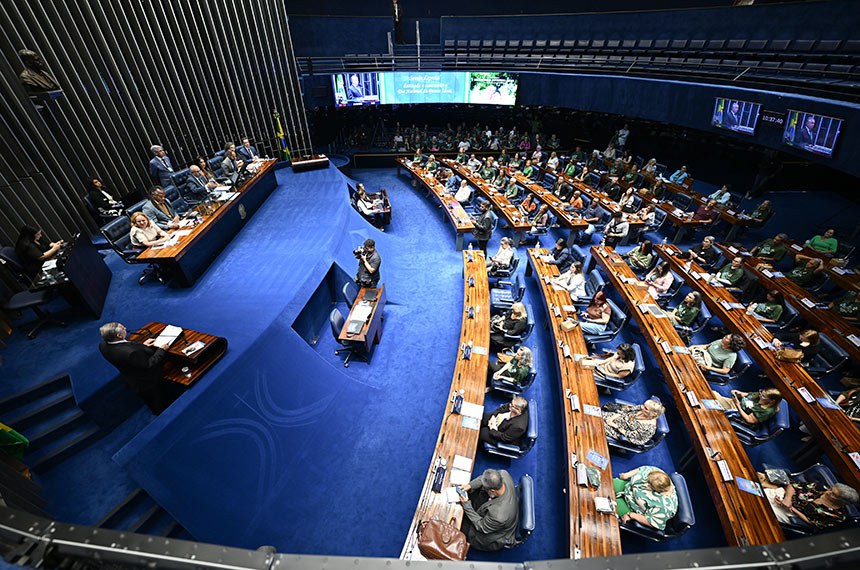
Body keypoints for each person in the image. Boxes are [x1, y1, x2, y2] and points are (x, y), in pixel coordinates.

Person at [98, 322, 171, 414]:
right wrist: (162, 350)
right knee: (160, 403)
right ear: (119, 335)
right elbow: (149, 364)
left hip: (130, 377)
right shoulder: (130, 353)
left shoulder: (103, 345)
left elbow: (125, 348)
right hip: (147, 381)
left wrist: (142, 346)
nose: (125, 327)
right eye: (123, 328)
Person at [758, 471, 858, 530]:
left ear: (842, 501)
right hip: (783, 496)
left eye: (833, 494)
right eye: (831, 489)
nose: (827, 492)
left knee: (760, 509)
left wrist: (791, 508)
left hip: (790, 514)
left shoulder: (838, 516)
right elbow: (793, 485)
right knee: (755, 491)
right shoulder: (821, 487)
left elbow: (813, 523)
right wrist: (787, 498)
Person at [456, 468, 519, 551]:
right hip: (499, 510)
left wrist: (466, 505)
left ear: (492, 491)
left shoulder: (499, 516)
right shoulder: (503, 474)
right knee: (474, 492)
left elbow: (481, 527)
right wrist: (470, 485)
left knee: (457, 525)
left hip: (488, 534)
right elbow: (484, 479)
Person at [613, 466, 678, 531]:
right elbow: (643, 469)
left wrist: (631, 515)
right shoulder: (658, 474)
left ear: (656, 490)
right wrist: (627, 474)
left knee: (609, 506)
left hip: (631, 507)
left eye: (648, 483)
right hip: (628, 487)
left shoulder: (664, 508)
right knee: (607, 482)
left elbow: (652, 522)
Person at [712, 387, 783, 424]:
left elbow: (749, 419)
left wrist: (737, 405)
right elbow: (746, 394)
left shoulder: (765, 411)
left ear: (771, 401)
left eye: (763, 396)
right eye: (761, 393)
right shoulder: (760, 395)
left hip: (736, 411)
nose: (760, 396)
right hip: (734, 402)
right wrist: (737, 393)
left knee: (712, 399)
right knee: (713, 394)